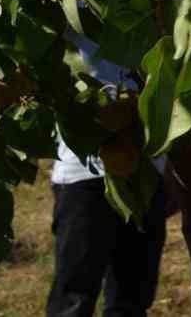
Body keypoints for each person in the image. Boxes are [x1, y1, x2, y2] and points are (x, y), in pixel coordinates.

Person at [46, 40, 171, 317]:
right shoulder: (68, 3)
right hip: (84, 172)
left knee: (132, 296)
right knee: (74, 295)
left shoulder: (160, 1)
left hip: (146, 169)